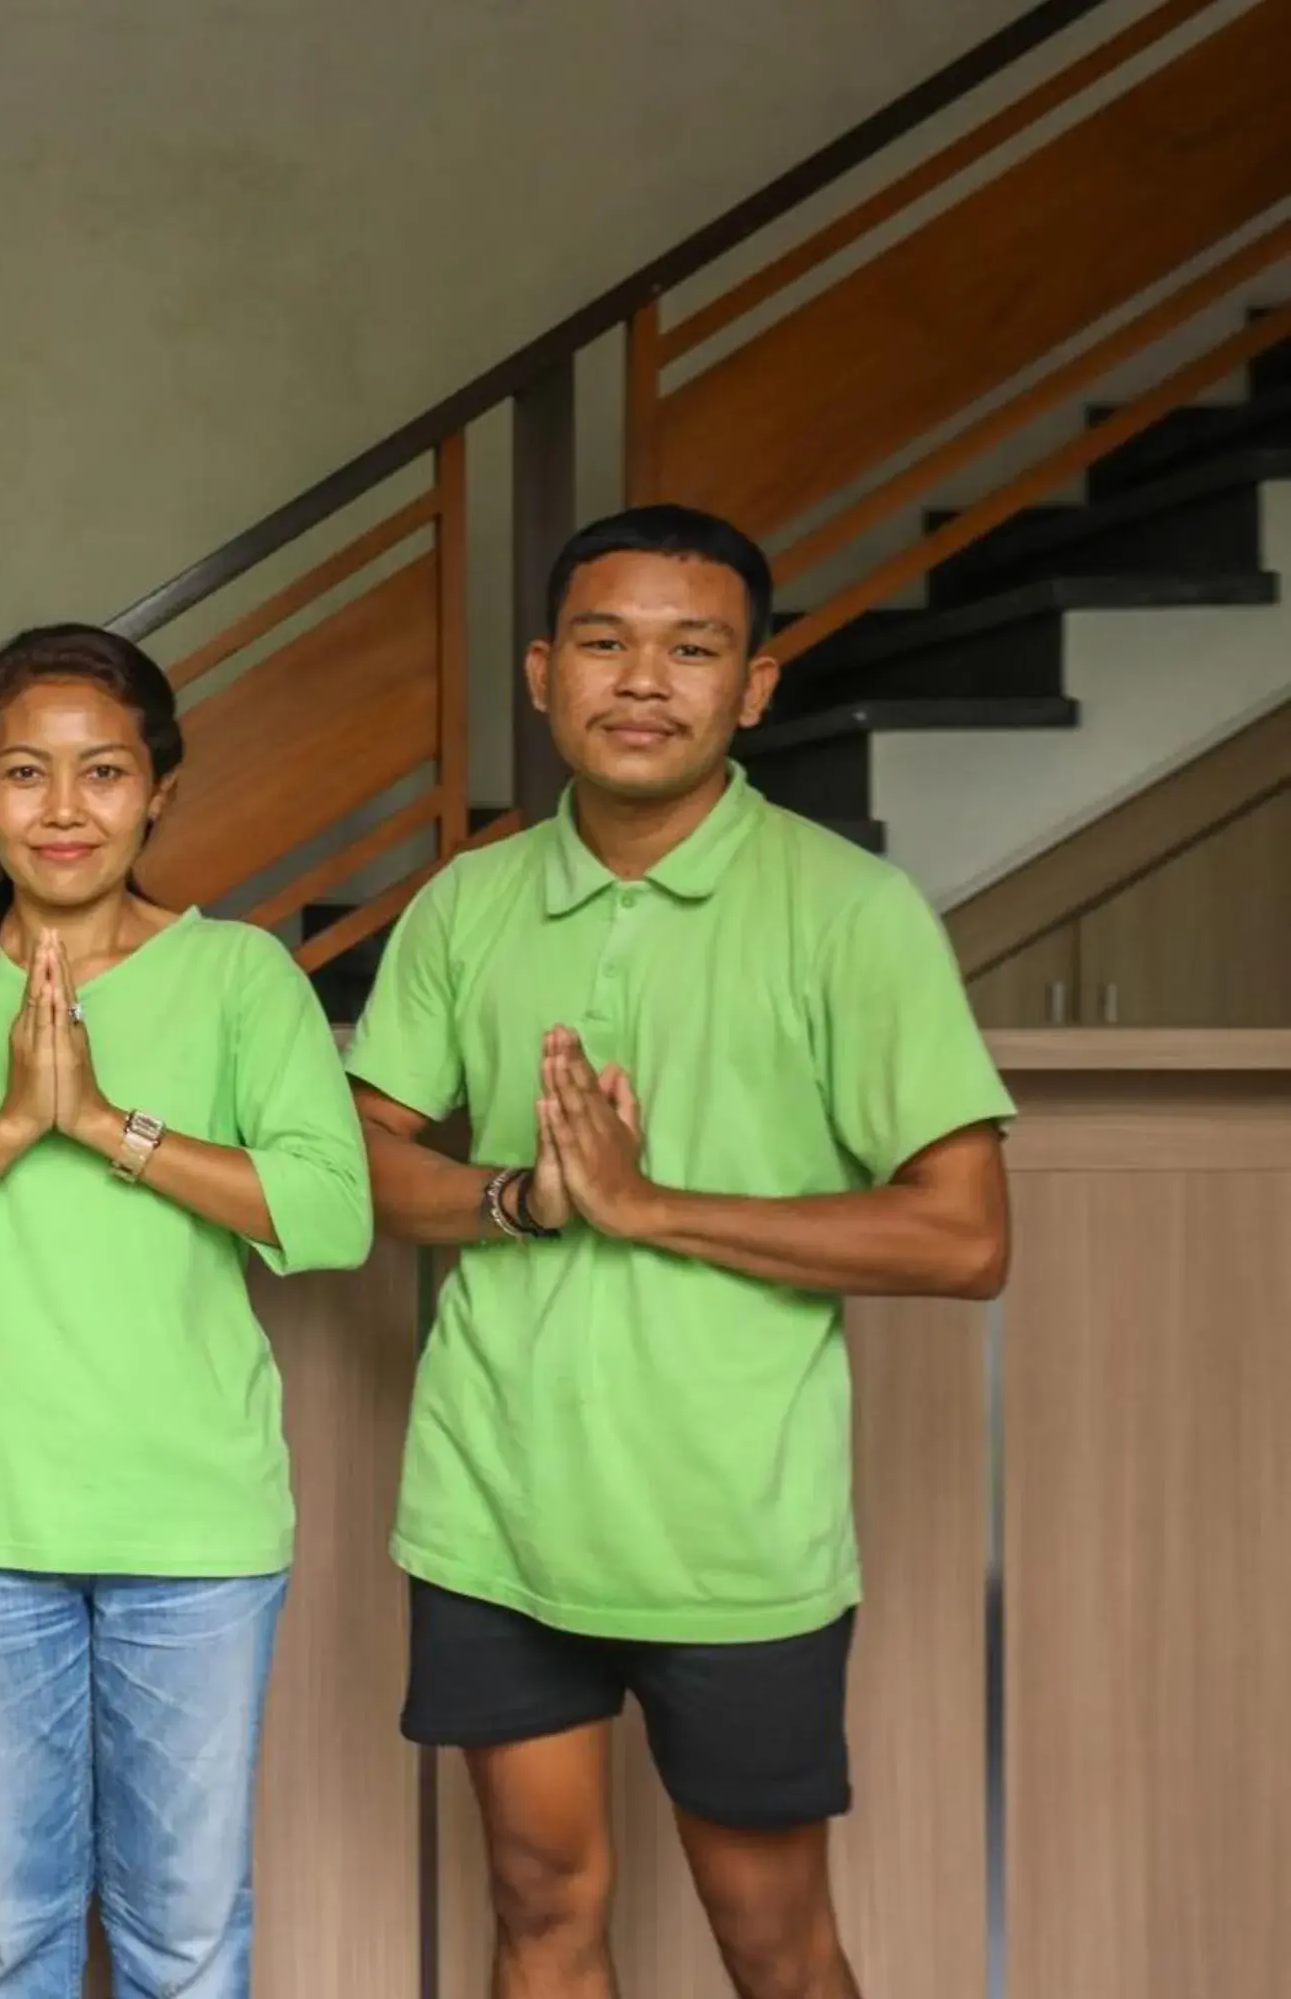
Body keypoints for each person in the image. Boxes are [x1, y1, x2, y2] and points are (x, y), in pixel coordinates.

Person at [343, 505, 1014, 1999]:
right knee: (538, 1910)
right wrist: (518, 1198)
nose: (643, 680)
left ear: (754, 687)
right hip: (497, 1509)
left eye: (692, 648)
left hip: (738, 1531)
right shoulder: (471, 900)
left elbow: (967, 1237)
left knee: (771, 1941)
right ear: (540, 673)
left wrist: (656, 1208)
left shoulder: (851, 911)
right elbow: (358, 1159)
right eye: (605, 641)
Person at [0, 625, 373, 1999]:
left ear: (159, 788)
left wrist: (106, 1122)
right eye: (25, 774)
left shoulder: (240, 979)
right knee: (9, 1941)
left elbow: (332, 1217)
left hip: (197, 1526)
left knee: (184, 1939)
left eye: (102, 773)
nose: (62, 812)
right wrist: (9, 1127)